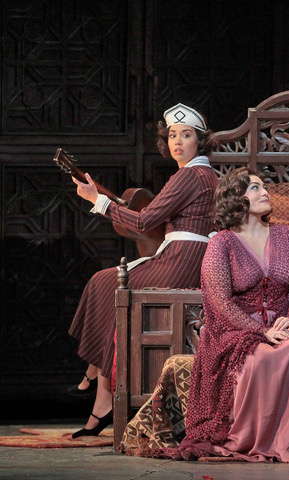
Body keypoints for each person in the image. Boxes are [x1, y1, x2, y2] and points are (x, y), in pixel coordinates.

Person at [172, 168, 289, 462]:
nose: (265, 192)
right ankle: (250, 439)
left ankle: (288, 444)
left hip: (283, 323)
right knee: (263, 354)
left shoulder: (287, 236)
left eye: (264, 187)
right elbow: (220, 301)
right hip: (238, 329)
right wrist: (260, 331)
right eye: (254, 188)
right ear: (235, 198)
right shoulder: (222, 243)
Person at [68, 103, 219, 439]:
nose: (178, 141)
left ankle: (97, 378)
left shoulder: (190, 175)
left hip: (181, 260)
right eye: (173, 135)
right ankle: (99, 387)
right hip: (185, 255)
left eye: (187, 135)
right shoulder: (203, 174)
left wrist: (99, 201)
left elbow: (146, 222)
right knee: (108, 284)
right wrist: (102, 197)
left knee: (106, 283)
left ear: (200, 141)